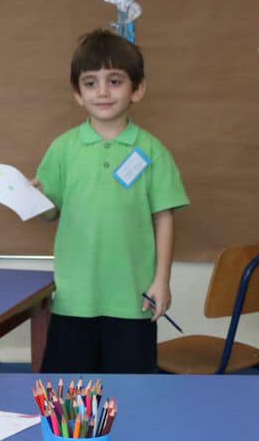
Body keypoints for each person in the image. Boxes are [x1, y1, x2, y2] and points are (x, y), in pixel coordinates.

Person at [34, 28, 188, 373]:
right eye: (90, 83)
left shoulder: (152, 150)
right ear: (78, 94)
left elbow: (164, 217)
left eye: (115, 81)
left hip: (133, 298)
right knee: (70, 392)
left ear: (138, 89)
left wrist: (161, 280)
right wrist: (34, 198)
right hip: (75, 298)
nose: (102, 92)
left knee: (131, 390)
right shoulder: (63, 148)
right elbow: (50, 212)